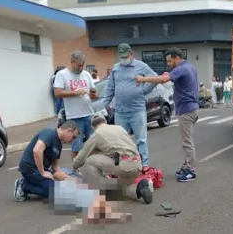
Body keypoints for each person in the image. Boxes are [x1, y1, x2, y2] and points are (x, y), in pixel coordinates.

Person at [134, 47, 199, 182]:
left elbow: (164, 80)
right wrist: (168, 75)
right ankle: (186, 166)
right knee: (185, 140)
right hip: (191, 108)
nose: (168, 64)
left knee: (187, 142)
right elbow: (173, 78)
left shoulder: (181, 69)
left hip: (186, 110)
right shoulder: (189, 67)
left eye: (170, 61)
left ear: (177, 58)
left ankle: (191, 170)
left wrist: (143, 79)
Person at [72, 114, 153, 204]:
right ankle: (138, 189)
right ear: (105, 122)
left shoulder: (97, 134)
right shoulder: (119, 128)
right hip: (137, 165)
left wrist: (74, 167)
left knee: (88, 160)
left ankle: (102, 189)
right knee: (120, 189)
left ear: (92, 127)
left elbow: (81, 156)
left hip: (124, 166)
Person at [103, 43, 158, 168]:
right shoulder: (116, 68)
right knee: (120, 141)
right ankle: (124, 165)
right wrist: (106, 103)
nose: (123, 59)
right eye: (121, 57)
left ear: (131, 53)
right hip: (120, 111)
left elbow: (154, 78)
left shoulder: (141, 66)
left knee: (141, 140)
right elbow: (110, 87)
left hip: (137, 110)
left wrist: (144, 89)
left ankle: (144, 165)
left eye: (125, 56)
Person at [13, 120, 79, 201]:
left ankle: (37, 182)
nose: (73, 140)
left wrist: (68, 179)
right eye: (74, 137)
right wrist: (43, 172)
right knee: (53, 192)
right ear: (68, 131)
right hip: (29, 168)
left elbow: (55, 167)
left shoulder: (59, 145)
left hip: (41, 170)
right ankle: (23, 185)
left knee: (61, 189)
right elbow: (37, 151)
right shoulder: (49, 133)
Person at [53, 51, 98, 160]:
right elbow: (57, 93)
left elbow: (94, 93)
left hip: (89, 114)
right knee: (76, 145)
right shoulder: (62, 74)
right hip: (74, 116)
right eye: (79, 65)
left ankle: (99, 167)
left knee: (95, 143)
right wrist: (74, 92)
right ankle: (75, 169)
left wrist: (94, 94)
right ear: (72, 62)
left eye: (83, 65)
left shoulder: (86, 74)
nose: (81, 67)